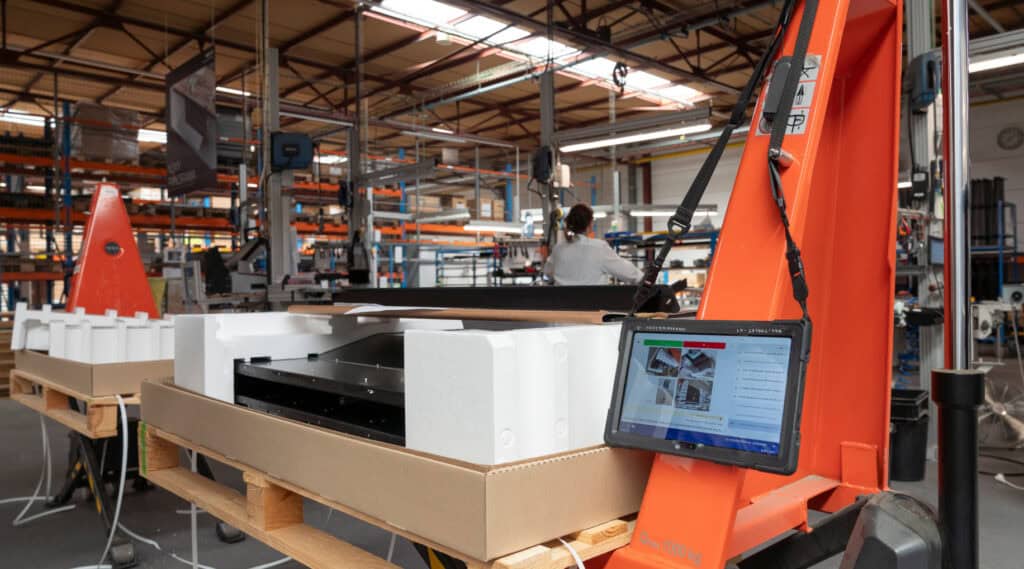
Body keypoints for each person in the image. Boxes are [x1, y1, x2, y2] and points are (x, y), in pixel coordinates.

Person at [543, 203, 643, 285]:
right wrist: (645, 279)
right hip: (593, 303)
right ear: (589, 224)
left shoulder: (558, 249)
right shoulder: (599, 248)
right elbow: (630, 273)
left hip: (562, 303)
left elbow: (547, 274)